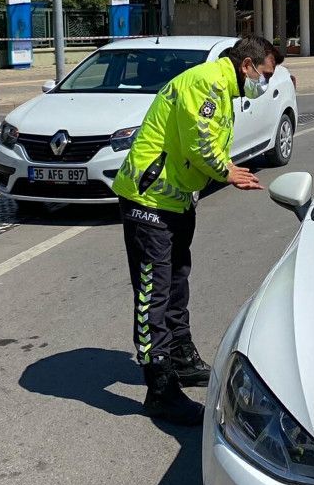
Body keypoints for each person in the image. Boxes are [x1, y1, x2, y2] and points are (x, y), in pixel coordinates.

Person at [112, 34, 282, 425]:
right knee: (153, 291)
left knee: (176, 280)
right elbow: (199, 141)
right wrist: (228, 173)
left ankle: (180, 356)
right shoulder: (207, 81)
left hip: (175, 199)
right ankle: (160, 386)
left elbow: (213, 141)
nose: (266, 82)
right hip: (148, 198)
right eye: (266, 74)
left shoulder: (224, 87)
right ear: (247, 65)